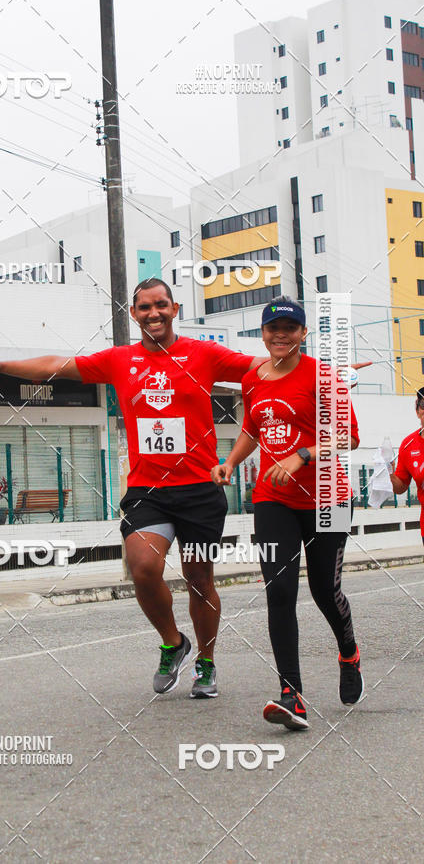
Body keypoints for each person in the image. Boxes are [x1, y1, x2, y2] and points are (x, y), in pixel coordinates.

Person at [0, 278, 265, 699]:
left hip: (198, 488)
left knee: (199, 580)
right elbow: (56, 366)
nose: (153, 313)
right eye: (143, 308)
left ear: (175, 309)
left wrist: (319, 371)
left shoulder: (203, 354)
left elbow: (261, 366)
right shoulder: (120, 360)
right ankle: (174, 643)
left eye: (161, 305)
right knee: (143, 568)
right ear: (133, 314)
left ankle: (207, 662)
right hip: (147, 489)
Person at [212, 296, 364, 730]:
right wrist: (232, 461)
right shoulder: (252, 378)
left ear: (302, 334)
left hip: (328, 499)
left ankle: (349, 651)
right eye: (272, 328)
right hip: (272, 499)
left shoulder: (324, 376)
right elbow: (252, 429)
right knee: (279, 592)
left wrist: (303, 454)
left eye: (290, 328)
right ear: (262, 333)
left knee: (323, 591)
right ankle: (291, 695)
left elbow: (350, 436)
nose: (280, 335)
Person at [389, 387, 424, 545]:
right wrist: (389, 473)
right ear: (417, 410)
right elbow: (401, 487)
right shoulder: (408, 444)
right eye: (423, 405)